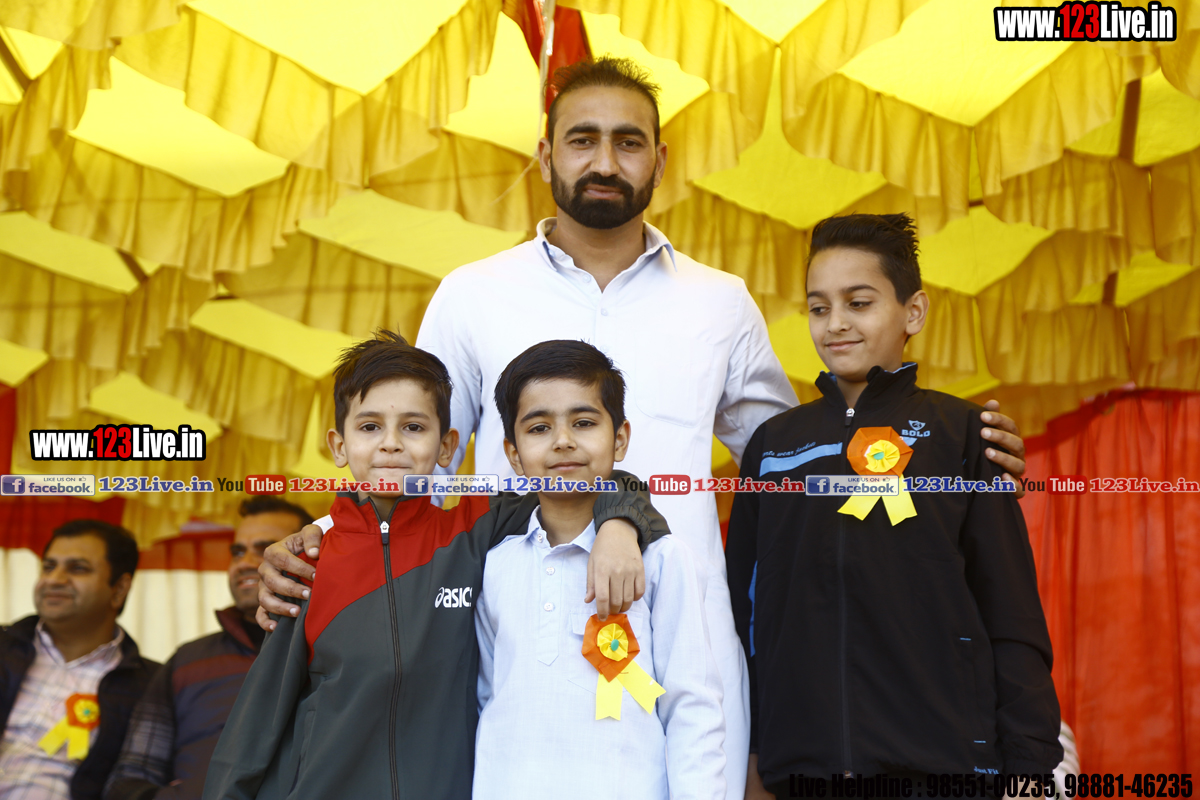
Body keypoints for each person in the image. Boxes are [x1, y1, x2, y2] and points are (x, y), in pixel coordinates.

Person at [257, 58, 1031, 800]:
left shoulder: (720, 301)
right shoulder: (472, 296)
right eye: (582, 139)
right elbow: (407, 461)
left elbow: (795, 461)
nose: (605, 160)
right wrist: (319, 538)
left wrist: (951, 448)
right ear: (545, 155)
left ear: (660, 160)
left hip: (688, 649)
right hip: (512, 646)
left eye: (628, 142)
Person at [202, 331, 666, 800]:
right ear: (339, 446)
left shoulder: (474, 530)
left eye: (413, 427)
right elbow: (257, 721)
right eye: (369, 427)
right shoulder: (306, 564)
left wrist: (618, 522)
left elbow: (580, 484)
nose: (390, 444)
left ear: (446, 447)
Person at [725, 213, 1062, 795]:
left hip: (947, 768)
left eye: (859, 303)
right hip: (800, 771)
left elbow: (1011, 614)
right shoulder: (772, 448)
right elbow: (744, 614)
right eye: (819, 307)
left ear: (914, 312)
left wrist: (1029, 771)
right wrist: (753, 755)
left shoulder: (965, 435)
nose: (836, 323)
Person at [474, 340, 725, 800]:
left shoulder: (663, 560)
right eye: (539, 428)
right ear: (512, 453)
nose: (563, 441)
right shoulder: (493, 565)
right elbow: (488, 696)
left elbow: (692, 708)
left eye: (584, 422)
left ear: (620, 438)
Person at [103, 497, 313, 800]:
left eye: (266, 549)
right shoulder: (187, 661)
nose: (245, 563)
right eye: (237, 552)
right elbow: (130, 776)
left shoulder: (336, 650)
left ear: (309, 557)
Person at [0, 520, 158, 800]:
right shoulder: (4, 648)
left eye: (77, 568)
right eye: (49, 567)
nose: (54, 579)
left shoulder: (150, 686)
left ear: (119, 589)